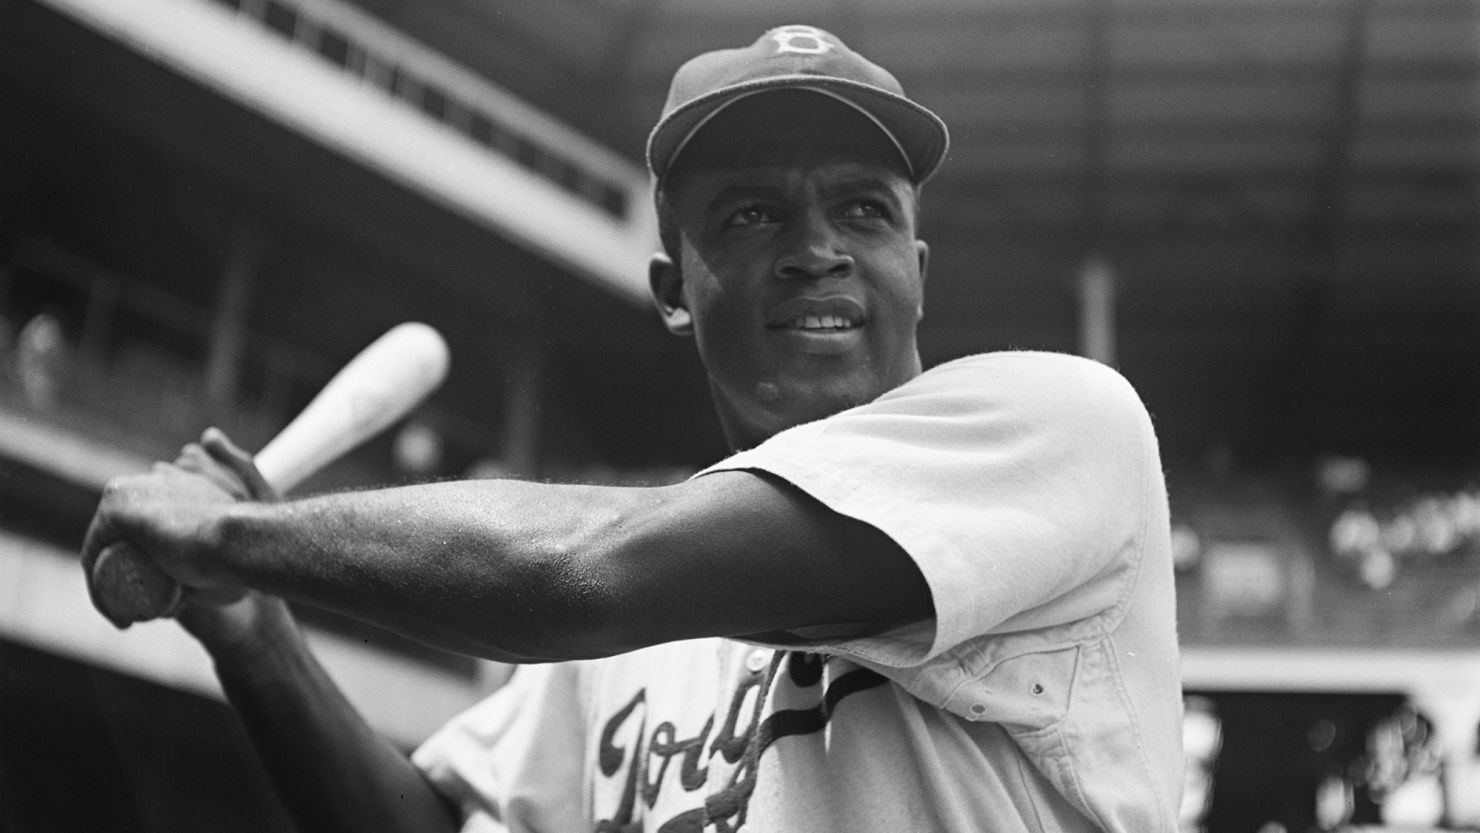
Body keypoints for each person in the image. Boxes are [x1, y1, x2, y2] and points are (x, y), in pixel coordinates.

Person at [83, 24, 1184, 832]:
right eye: (750, 213)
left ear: (917, 269)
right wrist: (253, 628)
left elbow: (580, 570)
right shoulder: (632, 622)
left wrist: (225, 536)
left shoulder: (1059, 428)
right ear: (673, 286)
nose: (816, 248)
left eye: (862, 208)